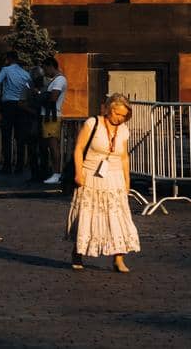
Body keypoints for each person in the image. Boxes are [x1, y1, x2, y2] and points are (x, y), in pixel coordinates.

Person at [68, 94, 139, 273]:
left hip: (114, 177)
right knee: (88, 215)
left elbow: (124, 157)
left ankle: (118, 257)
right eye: (117, 114)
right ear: (109, 109)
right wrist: (78, 173)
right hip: (91, 175)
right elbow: (78, 149)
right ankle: (78, 252)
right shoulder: (92, 123)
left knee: (118, 218)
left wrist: (127, 180)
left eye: (124, 115)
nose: (120, 118)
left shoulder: (124, 129)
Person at [0, 51, 31, 175]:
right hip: (22, 106)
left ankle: (7, 166)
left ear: (9, 59)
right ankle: (19, 166)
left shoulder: (6, 70)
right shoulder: (25, 73)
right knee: (20, 137)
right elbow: (30, 88)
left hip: (8, 105)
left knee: (6, 136)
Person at [41, 58, 67, 185]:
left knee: (53, 145)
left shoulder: (59, 80)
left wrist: (41, 97)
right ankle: (54, 172)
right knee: (50, 146)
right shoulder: (55, 80)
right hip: (48, 115)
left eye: (45, 68)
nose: (44, 71)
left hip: (52, 116)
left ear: (51, 66)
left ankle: (56, 173)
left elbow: (53, 97)